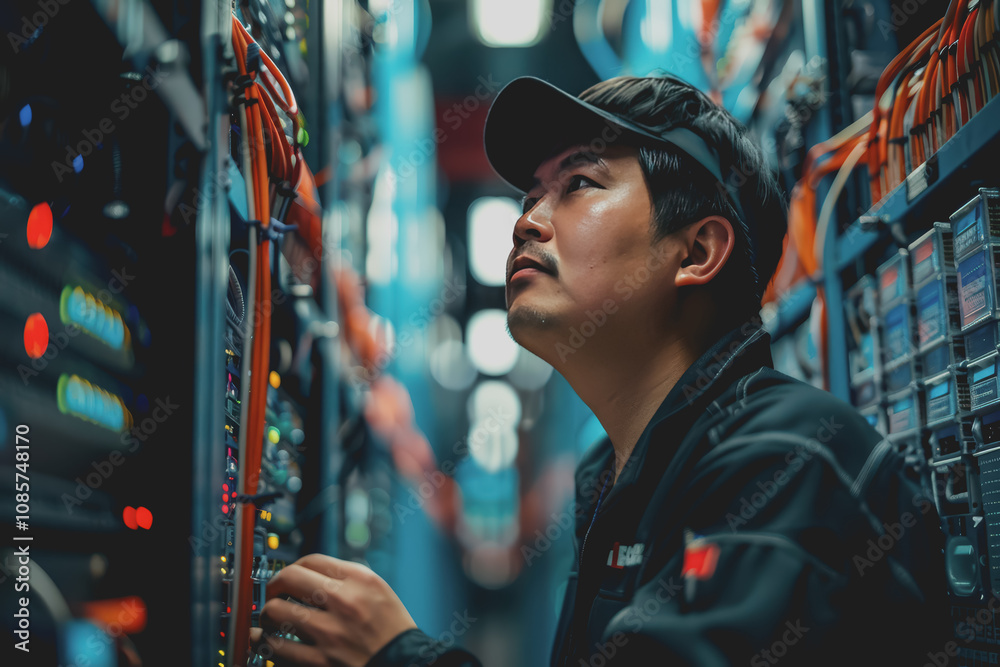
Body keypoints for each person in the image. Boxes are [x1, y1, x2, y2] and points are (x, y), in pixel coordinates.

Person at [249, 74, 949, 666]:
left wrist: (398, 656)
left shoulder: (786, 460)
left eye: (579, 183)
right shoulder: (616, 478)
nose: (526, 221)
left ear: (696, 251)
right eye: (531, 196)